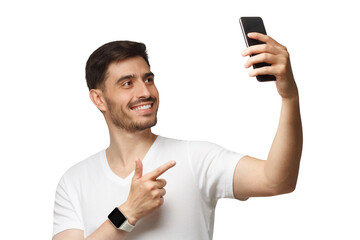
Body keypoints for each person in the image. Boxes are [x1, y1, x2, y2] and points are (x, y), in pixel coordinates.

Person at [52, 33, 302, 240]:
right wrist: (127, 213)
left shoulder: (196, 158)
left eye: (148, 79)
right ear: (98, 99)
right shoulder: (74, 181)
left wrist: (289, 97)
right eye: (127, 83)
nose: (145, 92)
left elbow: (277, 180)